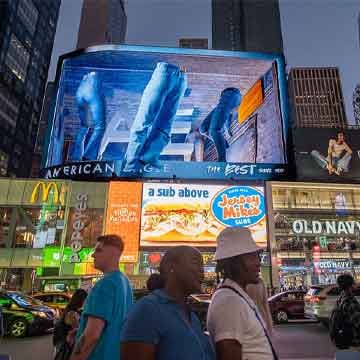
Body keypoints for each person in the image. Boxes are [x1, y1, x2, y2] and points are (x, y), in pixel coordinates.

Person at [121, 246, 215, 360]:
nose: (202, 271)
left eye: (203, 266)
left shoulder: (192, 317)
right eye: (196, 263)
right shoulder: (148, 310)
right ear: (170, 267)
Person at [207, 227, 278, 360]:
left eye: (257, 256)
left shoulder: (236, 296)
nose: (258, 263)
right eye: (251, 257)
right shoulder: (229, 302)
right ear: (233, 264)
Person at [70, 235, 133, 360]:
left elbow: (92, 335)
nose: (93, 255)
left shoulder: (104, 284)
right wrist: (80, 330)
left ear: (113, 254)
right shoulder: (124, 282)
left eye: (98, 250)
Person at [123, 62, 187, 172]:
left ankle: (149, 155)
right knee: (144, 120)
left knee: (165, 123)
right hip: (166, 73)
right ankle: (131, 165)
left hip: (182, 78)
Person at [199, 88, 242, 162]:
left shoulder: (226, 108)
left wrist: (227, 129)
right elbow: (227, 117)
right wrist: (227, 130)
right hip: (230, 97)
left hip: (230, 96)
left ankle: (222, 160)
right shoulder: (225, 110)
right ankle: (223, 143)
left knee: (214, 131)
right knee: (203, 129)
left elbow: (227, 117)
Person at [53, 289, 88, 360]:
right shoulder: (72, 313)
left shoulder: (71, 309)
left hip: (63, 342)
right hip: (68, 345)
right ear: (81, 300)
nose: (86, 302)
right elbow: (78, 329)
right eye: (86, 299)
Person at [332, 274, 360, 351]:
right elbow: (357, 322)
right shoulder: (350, 301)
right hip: (354, 340)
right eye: (354, 282)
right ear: (350, 285)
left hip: (346, 338)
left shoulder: (341, 297)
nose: (355, 284)